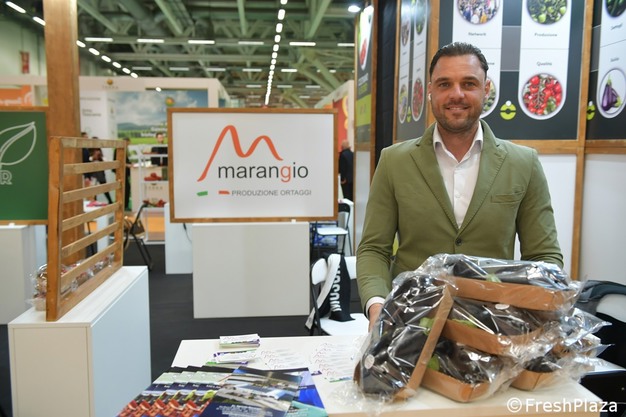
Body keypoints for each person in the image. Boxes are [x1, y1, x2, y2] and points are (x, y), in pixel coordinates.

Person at [356, 42, 563, 329]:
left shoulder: (523, 163)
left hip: (494, 325)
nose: (456, 94)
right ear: (430, 90)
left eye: (469, 83)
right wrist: (377, 306)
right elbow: (374, 249)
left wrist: (533, 310)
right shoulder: (394, 161)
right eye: (445, 84)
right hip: (410, 323)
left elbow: (544, 256)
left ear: (486, 89)